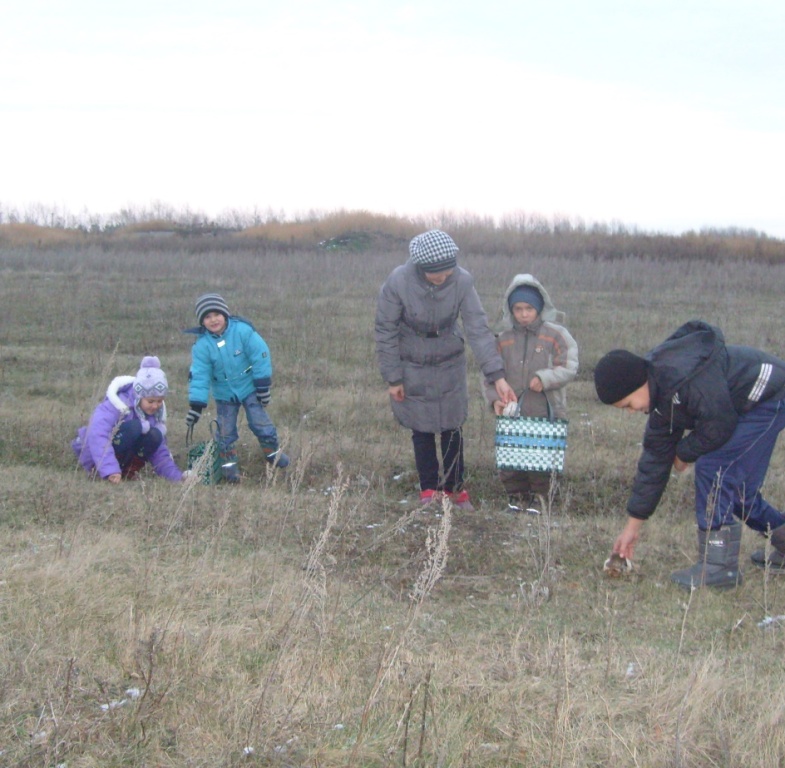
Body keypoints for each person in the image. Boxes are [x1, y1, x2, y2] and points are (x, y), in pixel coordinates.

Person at [594, 320, 785, 589]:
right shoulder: (661, 401)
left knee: (714, 468)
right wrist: (632, 529)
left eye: (627, 404)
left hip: (768, 396)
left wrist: (684, 452)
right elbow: (654, 464)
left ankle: (719, 568)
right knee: (737, 490)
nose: (630, 411)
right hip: (741, 407)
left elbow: (719, 425)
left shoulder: (686, 379)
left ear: (639, 383)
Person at [375, 229, 516, 511]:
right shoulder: (397, 282)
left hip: (450, 359)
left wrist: (497, 376)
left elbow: (478, 328)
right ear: (421, 268)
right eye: (436, 274)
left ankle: (454, 489)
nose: (443, 278)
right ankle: (429, 489)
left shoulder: (462, 281)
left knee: (452, 426)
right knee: (422, 427)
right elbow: (386, 330)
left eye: (448, 271)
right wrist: (393, 377)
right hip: (411, 361)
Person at [484, 274, 578, 512]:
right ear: (510, 309)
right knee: (510, 459)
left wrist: (544, 378)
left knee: (542, 460)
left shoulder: (556, 335)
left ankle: (542, 500)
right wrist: (495, 400)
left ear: (539, 307)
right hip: (511, 412)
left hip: (546, 411)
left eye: (529, 308)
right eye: (518, 308)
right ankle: (516, 498)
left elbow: (569, 366)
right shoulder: (502, 339)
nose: (524, 314)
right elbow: (491, 375)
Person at [184, 293, 289, 483]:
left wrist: (262, 387)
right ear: (202, 321)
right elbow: (199, 375)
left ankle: (273, 453)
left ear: (225, 314)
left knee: (261, 423)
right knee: (225, 432)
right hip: (225, 394)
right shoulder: (202, 346)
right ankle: (228, 467)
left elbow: (261, 356)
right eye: (207, 317)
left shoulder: (243, 331)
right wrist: (196, 406)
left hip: (250, 388)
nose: (213, 320)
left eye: (217, 314)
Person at [72, 355, 184, 483]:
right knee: (134, 427)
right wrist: (109, 469)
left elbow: (159, 451)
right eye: (151, 401)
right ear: (138, 396)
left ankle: (128, 472)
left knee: (155, 435)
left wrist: (177, 478)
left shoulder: (154, 415)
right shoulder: (116, 405)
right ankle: (104, 471)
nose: (155, 406)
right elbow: (97, 434)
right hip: (95, 457)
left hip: (121, 456)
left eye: (159, 401)